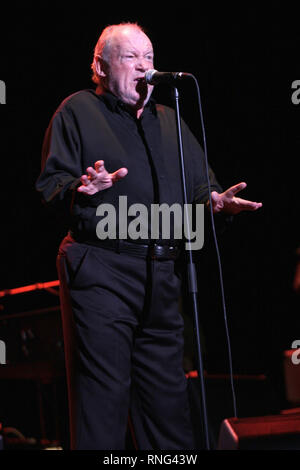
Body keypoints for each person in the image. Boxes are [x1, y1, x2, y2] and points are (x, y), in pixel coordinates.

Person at [35, 22, 262, 450]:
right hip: (101, 269)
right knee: (102, 403)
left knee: (168, 410)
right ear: (100, 67)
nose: (143, 66)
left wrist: (215, 202)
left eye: (149, 57)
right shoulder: (77, 110)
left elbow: (200, 187)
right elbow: (51, 186)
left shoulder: (170, 121)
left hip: (161, 275)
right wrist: (81, 189)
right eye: (129, 57)